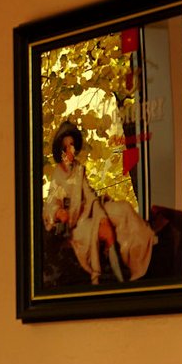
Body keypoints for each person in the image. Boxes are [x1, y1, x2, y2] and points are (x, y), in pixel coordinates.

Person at [43, 120, 156, 284]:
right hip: (76, 225)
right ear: (60, 150)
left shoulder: (79, 169)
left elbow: (90, 196)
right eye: (66, 146)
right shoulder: (58, 175)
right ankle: (118, 274)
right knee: (105, 231)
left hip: (91, 209)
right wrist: (58, 212)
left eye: (73, 145)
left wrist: (102, 216)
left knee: (123, 208)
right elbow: (51, 204)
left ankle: (140, 244)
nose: (71, 150)